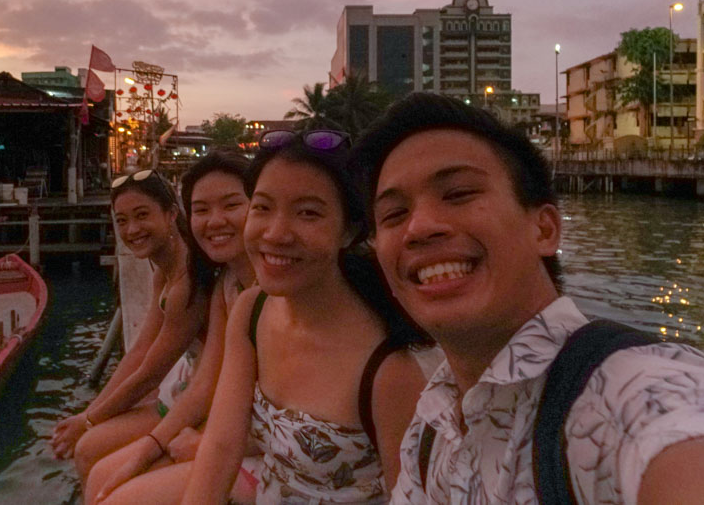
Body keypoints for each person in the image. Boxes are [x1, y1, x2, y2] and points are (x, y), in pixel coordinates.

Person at [352, 92, 704, 504]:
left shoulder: (629, 396)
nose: (419, 227)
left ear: (544, 228)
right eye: (393, 215)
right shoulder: (432, 424)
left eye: (459, 193)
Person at [181, 130, 432, 505]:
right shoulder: (252, 310)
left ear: (349, 230)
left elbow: (407, 496)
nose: (276, 233)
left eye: (308, 213)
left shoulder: (390, 370)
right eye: (263, 207)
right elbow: (221, 445)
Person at [86, 151, 257, 504]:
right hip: (213, 414)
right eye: (203, 210)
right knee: (101, 470)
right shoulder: (227, 286)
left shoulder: (265, 292)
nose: (216, 221)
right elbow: (190, 376)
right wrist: (143, 450)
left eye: (231, 205)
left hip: (259, 445)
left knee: (106, 477)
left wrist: (89, 419)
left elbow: (152, 370)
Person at [52, 169, 214, 485]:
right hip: (182, 392)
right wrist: (90, 413)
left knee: (88, 449)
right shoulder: (163, 272)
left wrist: (87, 422)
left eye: (142, 215)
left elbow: (150, 373)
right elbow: (139, 350)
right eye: (122, 220)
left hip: (202, 406)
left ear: (171, 214)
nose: (132, 229)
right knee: (91, 441)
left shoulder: (187, 281)